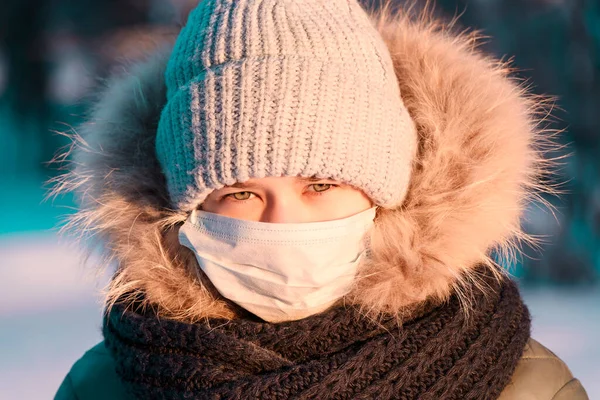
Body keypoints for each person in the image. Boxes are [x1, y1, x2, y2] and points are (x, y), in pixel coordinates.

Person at [52, 0, 589, 399]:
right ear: (185, 209)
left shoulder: (526, 386)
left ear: (391, 192)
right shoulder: (105, 386)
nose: (284, 223)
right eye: (240, 192)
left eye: (322, 185)